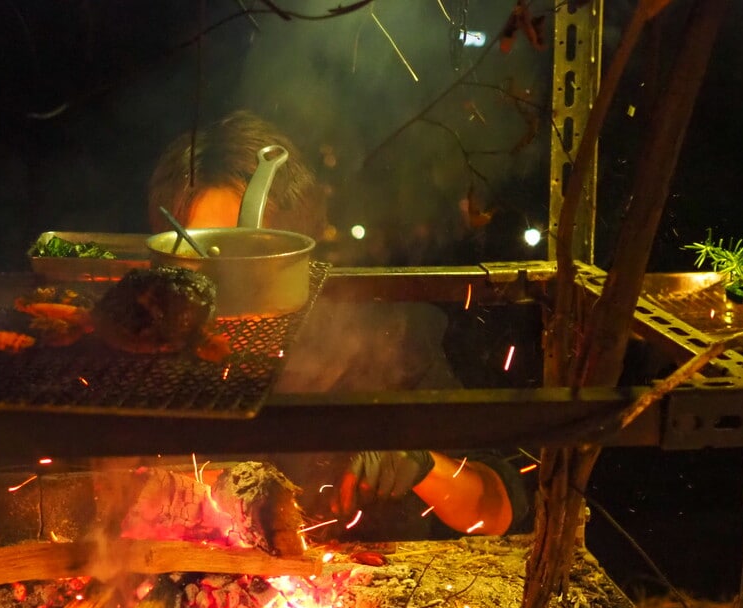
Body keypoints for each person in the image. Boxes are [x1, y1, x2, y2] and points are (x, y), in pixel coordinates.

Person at [147, 110, 528, 539]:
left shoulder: (379, 342)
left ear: (298, 243)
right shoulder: (143, 358)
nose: (232, 279)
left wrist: (421, 464)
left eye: (253, 251)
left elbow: (497, 511)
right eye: (207, 253)